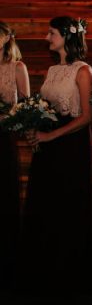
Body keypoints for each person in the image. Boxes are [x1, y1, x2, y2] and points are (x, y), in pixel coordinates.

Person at [20, 16, 92, 290]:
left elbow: (87, 116)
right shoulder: (52, 70)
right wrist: (34, 129)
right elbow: (45, 107)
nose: (46, 38)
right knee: (46, 203)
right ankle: (44, 269)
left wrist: (50, 135)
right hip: (47, 146)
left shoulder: (84, 71)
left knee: (68, 203)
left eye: (51, 33)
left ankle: (70, 272)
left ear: (66, 35)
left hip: (71, 144)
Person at [0, 22, 30, 287]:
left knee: (5, 193)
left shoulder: (17, 68)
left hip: (4, 137)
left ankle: (8, 260)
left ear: (6, 38)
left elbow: (26, 106)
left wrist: (8, 116)